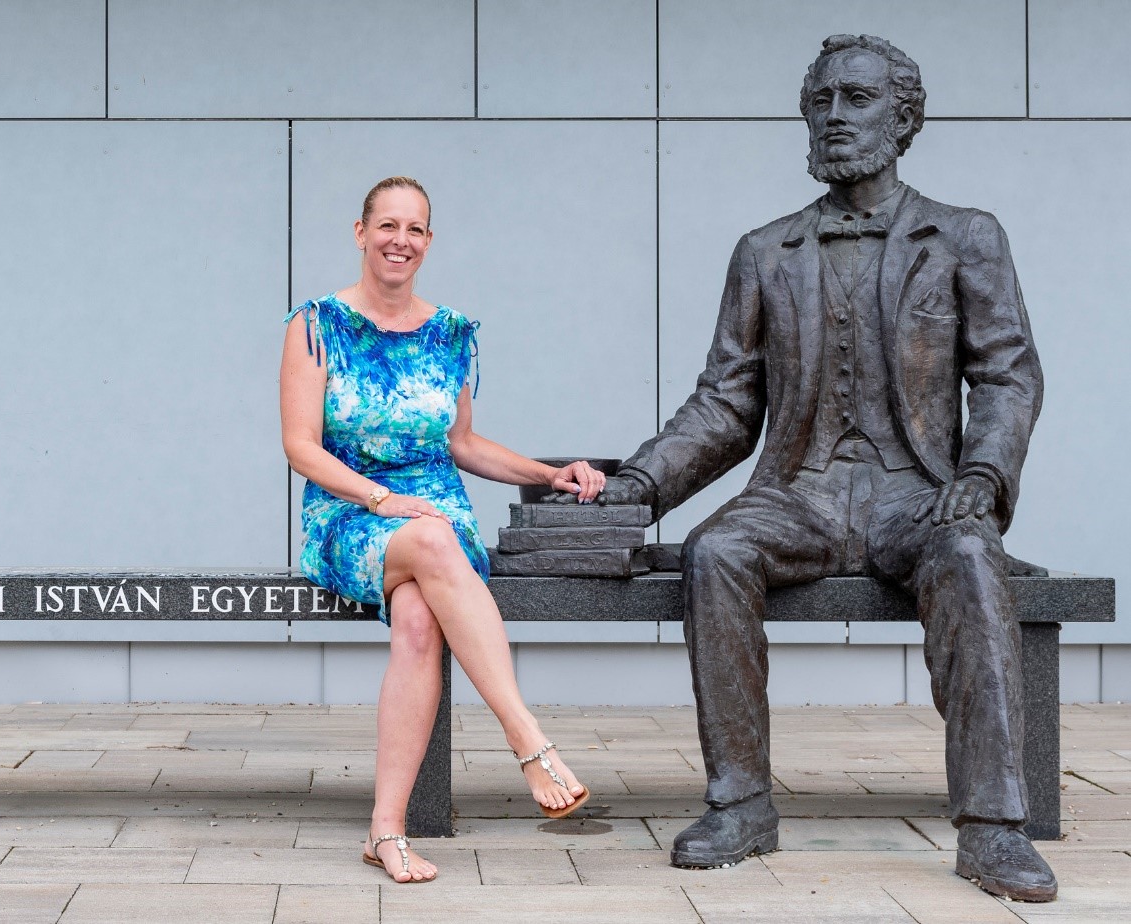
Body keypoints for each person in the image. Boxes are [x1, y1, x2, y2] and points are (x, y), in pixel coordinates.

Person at [586, 36, 1055, 901]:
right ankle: (741, 804)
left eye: (858, 100)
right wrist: (639, 486)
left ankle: (993, 827)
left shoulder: (964, 237)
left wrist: (983, 478)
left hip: (917, 494)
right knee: (716, 551)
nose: (835, 118)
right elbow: (726, 402)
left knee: (969, 553)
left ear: (905, 118)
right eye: (822, 101)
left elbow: (1006, 374)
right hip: (797, 493)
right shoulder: (766, 252)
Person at [279, 176, 602, 884]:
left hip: (436, 510)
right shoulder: (315, 325)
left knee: (421, 622)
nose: (401, 241)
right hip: (349, 510)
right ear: (360, 232)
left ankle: (385, 833)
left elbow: (464, 445)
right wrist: (379, 498)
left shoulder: (450, 332)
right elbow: (299, 445)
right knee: (432, 543)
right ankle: (527, 736)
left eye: (415, 229)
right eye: (387, 226)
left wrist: (547, 474)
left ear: (429, 241)